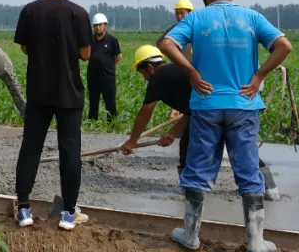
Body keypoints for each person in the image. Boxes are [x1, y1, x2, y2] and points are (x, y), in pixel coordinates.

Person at [157, 0, 292, 252]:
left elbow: (166, 44)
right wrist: (259, 76)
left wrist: (192, 73)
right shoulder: (251, 17)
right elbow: (284, 46)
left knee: (198, 168)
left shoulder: (197, 18)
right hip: (243, 105)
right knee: (248, 168)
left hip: (206, 104)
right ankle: (255, 242)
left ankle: (190, 235)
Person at [120, 45, 280, 201]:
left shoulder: (159, 77)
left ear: (149, 68)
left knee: (195, 149)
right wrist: (173, 133)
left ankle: (191, 192)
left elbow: (145, 112)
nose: (144, 78)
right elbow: (191, 110)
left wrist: (132, 141)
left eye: (142, 73)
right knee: (242, 148)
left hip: (211, 112)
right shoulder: (176, 71)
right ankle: (270, 188)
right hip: (223, 107)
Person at [13, 0, 92, 231]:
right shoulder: (78, 13)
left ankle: (23, 208)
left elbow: (25, 47)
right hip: (69, 93)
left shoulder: (30, 11)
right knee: (70, 151)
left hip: (39, 91)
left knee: (31, 147)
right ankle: (68, 214)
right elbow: (85, 54)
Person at [86, 13, 122, 122]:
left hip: (108, 78)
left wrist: (109, 65)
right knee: (93, 104)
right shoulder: (90, 40)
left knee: (110, 104)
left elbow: (119, 56)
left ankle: (112, 124)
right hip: (93, 78)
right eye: (95, 25)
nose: (98, 27)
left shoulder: (112, 40)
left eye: (100, 25)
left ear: (105, 25)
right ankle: (92, 123)